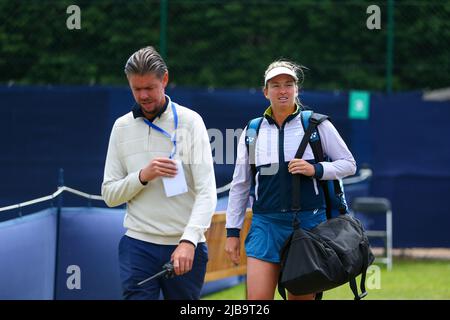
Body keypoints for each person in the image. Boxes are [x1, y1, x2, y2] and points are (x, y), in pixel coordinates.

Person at [225, 60, 356, 300]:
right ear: (266, 92)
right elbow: (240, 185)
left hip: (307, 225)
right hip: (265, 225)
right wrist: (232, 233)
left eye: (288, 84)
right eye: (275, 85)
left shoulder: (317, 124)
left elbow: (349, 164)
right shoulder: (252, 131)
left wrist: (315, 169)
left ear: (297, 90)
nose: (282, 90)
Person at [102, 46, 217, 300]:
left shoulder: (191, 122)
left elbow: (207, 192)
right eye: (136, 89)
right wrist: (143, 176)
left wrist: (188, 241)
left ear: (165, 80)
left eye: (150, 88)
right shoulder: (121, 128)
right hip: (137, 247)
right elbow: (109, 195)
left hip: (186, 247)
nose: (143, 96)